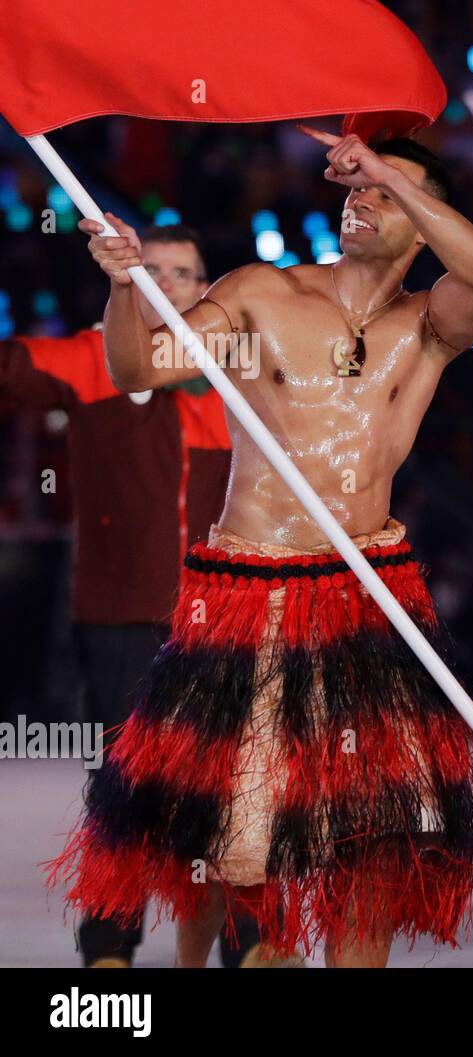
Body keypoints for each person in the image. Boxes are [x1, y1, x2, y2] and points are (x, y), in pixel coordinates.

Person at [47, 128, 473, 968]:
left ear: (423, 215)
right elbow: (138, 367)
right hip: (249, 589)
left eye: (383, 191)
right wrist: (123, 287)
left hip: (368, 590)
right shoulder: (263, 294)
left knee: (372, 830)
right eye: (355, 187)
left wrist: (388, 175)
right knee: (231, 829)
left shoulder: (429, 323)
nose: (359, 197)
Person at [0, 226, 274, 966]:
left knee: (234, 788)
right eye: (150, 269)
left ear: (206, 290)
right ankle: (110, 948)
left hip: (226, 618)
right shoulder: (93, 357)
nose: (167, 283)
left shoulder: (238, 378)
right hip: (121, 616)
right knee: (123, 791)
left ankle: (248, 940)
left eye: (184, 273)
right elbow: (10, 368)